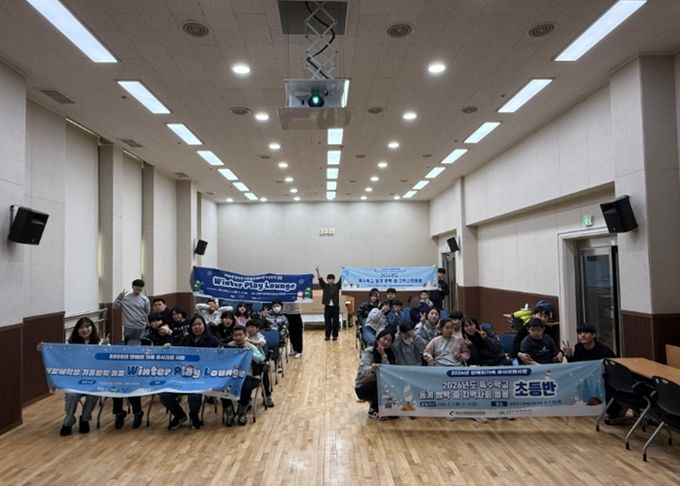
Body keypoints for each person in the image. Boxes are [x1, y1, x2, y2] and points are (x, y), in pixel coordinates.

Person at [160, 315, 221, 430]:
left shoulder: (212, 340)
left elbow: (225, 352)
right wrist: (169, 347)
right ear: (190, 327)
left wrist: (241, 349)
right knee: (165, 395)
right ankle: (180, 416)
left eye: (199, 324)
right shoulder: (186, 339)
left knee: (194, 396)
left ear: (204, 325)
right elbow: (176, 352)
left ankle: (194, 416)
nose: (197, 327)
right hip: (183, 377)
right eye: (194, 325)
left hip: (202, 378)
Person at [59, 317, 102, 436]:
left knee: (94, 393)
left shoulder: (100, 343)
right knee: (72, 395)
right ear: (77, 330)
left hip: (93, 380)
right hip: (75, 381)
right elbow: (58, 357)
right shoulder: (70, 345)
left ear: (92, 327)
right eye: (81, 327)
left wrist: (106, 346)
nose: (85, 330)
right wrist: (44, 348)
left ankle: (85, 419)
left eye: (87, 326)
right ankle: (68, 422)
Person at [226, 325, 267, 426]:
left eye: (240, 335)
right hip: (229, 375)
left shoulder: (250, 346)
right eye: (235, 335)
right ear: (232, 336)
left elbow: (261, 358)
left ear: (245, 335)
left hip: (246, 375)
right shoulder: (229, 346)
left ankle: (242, 411)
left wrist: (251, 353)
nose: (238, 337)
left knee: (246, 387)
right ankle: (229, 411)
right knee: (221, 387)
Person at [354, 329, 395, 420]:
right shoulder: (369, 351)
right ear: (378, 338)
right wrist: (371, 369)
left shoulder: (390, 354)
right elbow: (362, 370)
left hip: (383, 385)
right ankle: (373, 410)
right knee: (378, 383)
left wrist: (383, 355)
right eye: (384, 338)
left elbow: (389, 372)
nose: (386, 342)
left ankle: (383, 406)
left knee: (394, 416)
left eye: (389, 341)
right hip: (364, 386)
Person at [113, 278, 150, 343]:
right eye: (136, 286)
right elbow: (114, 306)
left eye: (140, 286)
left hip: (141, 326)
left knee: (141, 344)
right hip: (128, 326)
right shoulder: (125, 298)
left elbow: (147, 312)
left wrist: (147, 323)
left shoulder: (145, 299)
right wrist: (119, 297)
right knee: (128, 344)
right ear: (132, 287)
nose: (138, 288)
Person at [315, 265, 342, 341]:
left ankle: (335, 336)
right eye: (329, 279)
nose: (331, 280)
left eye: (332, 279)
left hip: (335, 307)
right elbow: (320, 279)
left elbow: (341, 279)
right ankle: (327, 336)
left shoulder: (337, 286)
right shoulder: (325, 286)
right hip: (327, 308)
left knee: (336, 322)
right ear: (327, 280)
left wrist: (344, 271)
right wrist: (317, 271)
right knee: (327, 323)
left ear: (334, 280)